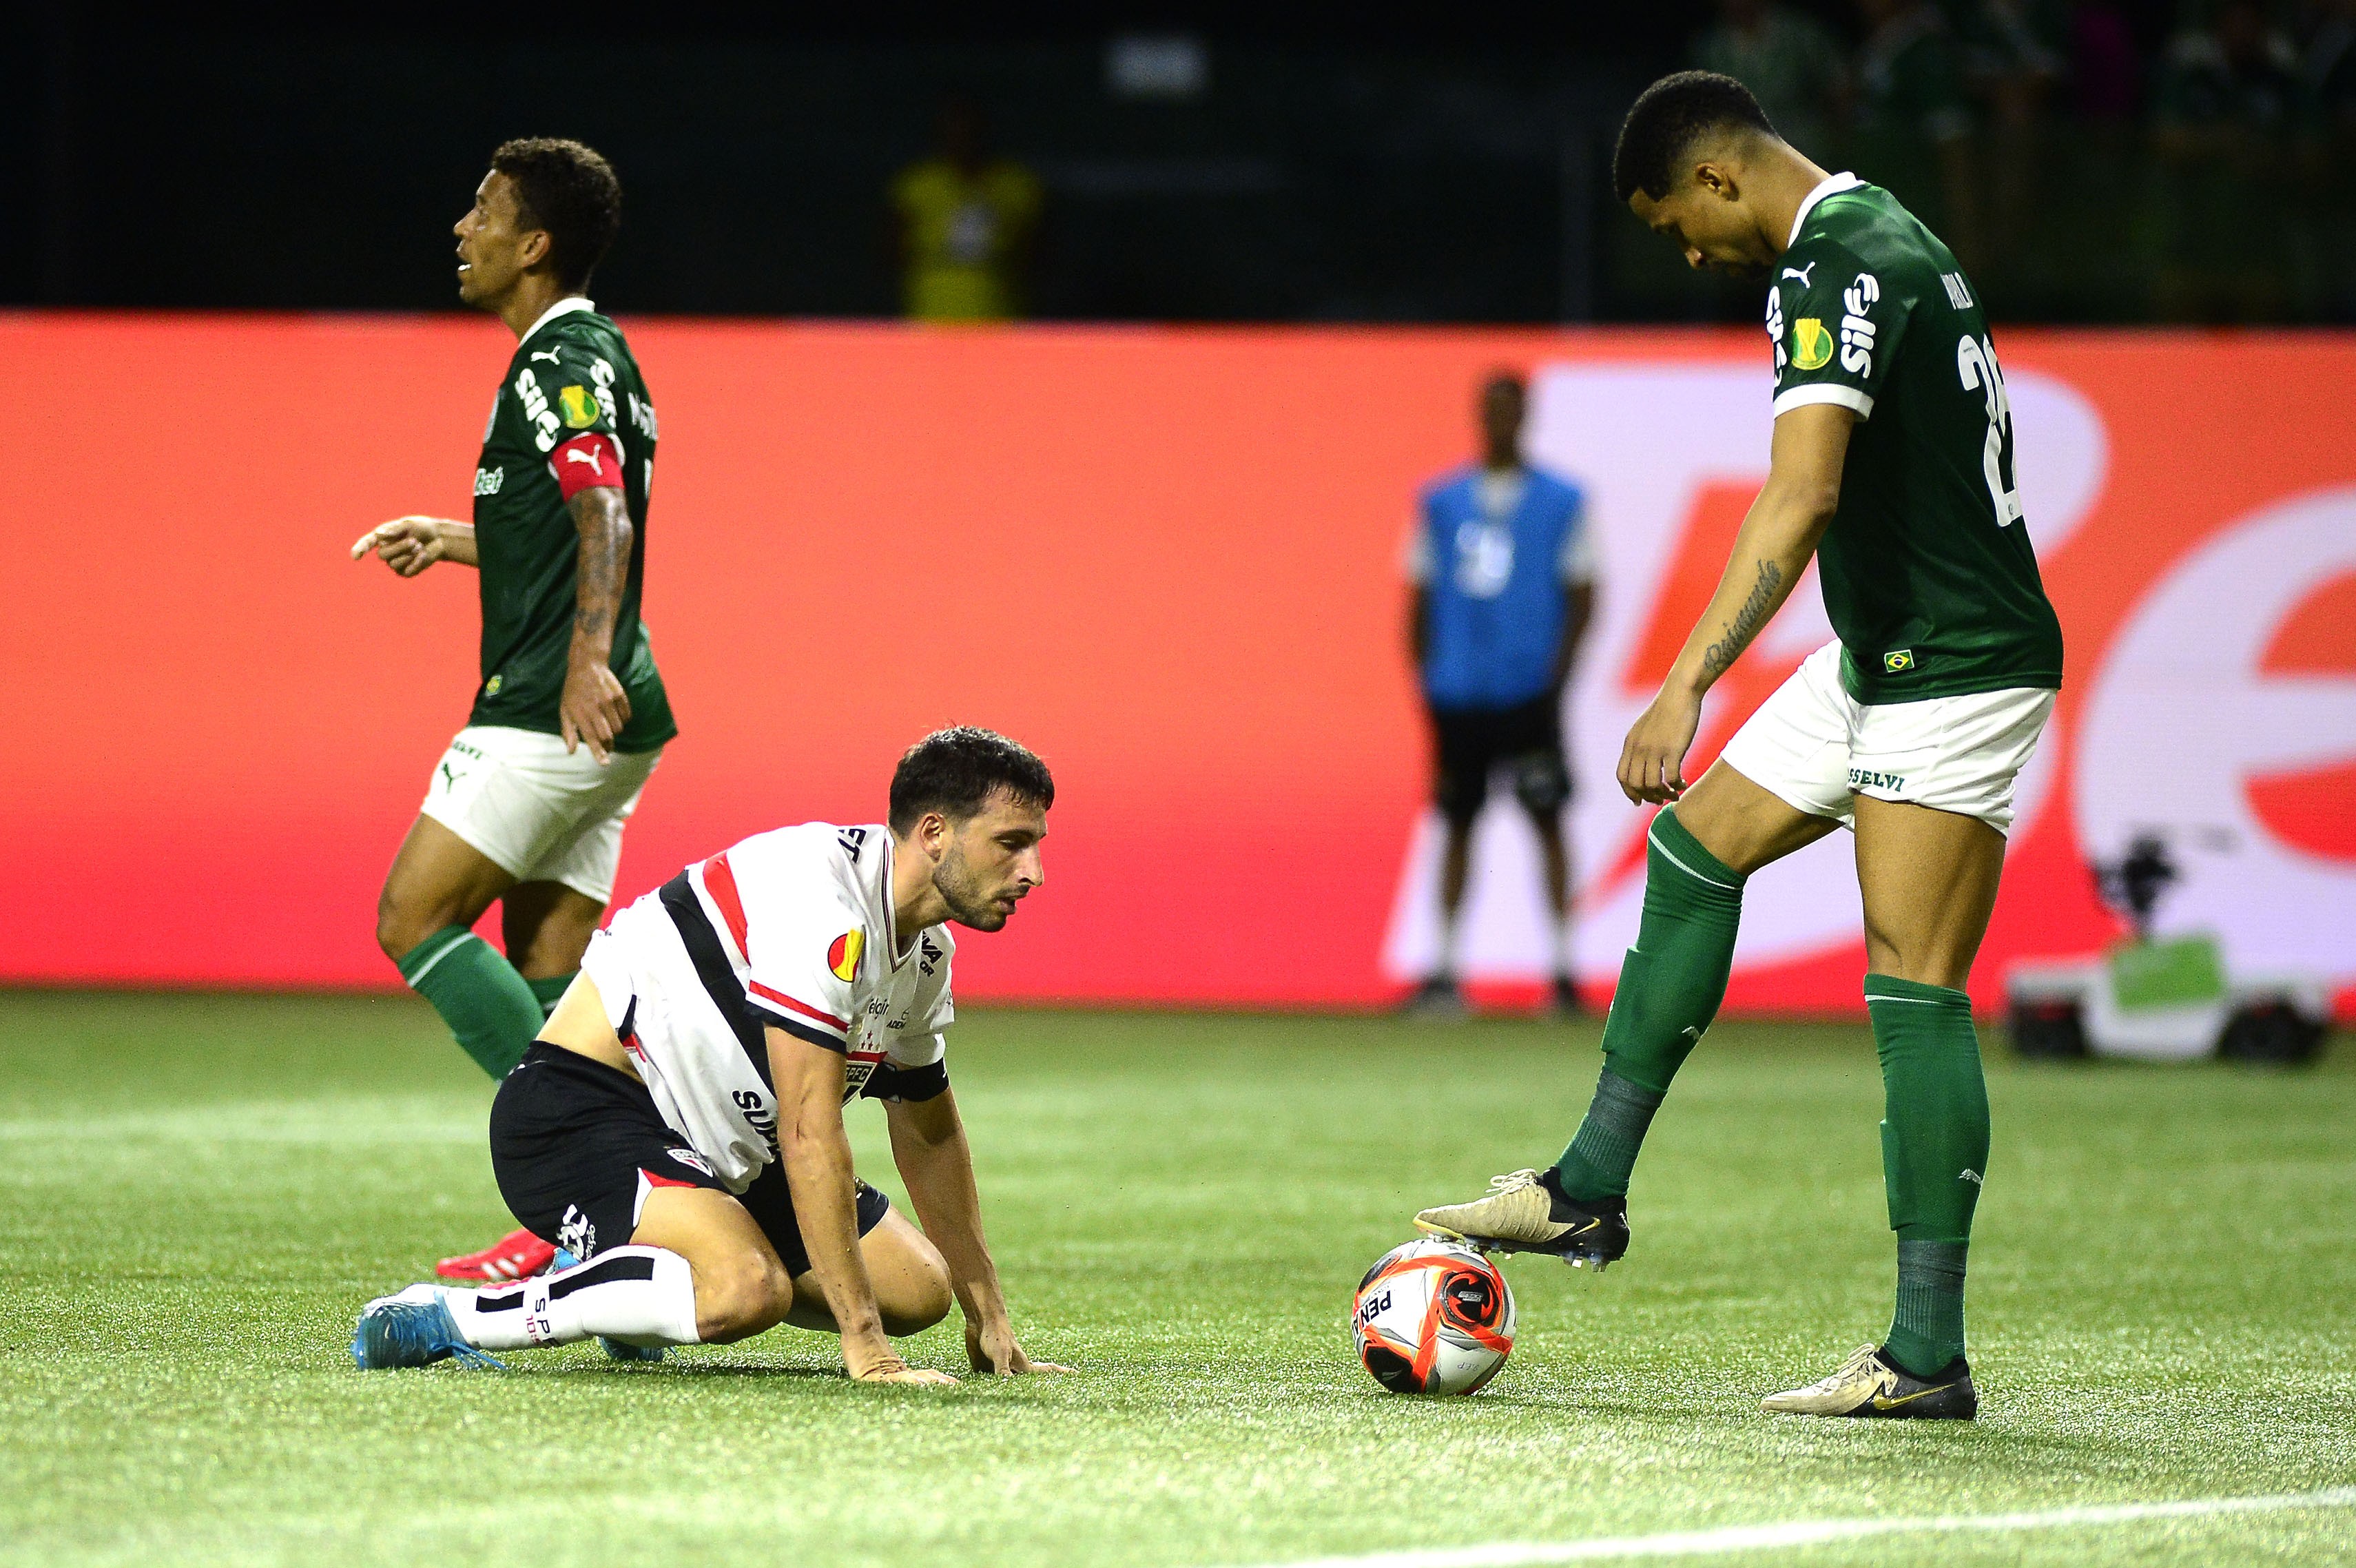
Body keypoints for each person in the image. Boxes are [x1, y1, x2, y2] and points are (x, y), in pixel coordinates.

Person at [1414, 72, 2063, 1421]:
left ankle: (1926, 1357)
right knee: (1696, 845)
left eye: (1677, 228)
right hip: (1884, 650)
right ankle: (1585, 1188)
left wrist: (1685, 681)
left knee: (1914, 983)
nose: (1691, 255)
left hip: (1954, 665)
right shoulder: (1886, 230)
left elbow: (1805, 490)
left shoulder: (1830, 266)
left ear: (1717, 179)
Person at [353, 728, 1068, 1385]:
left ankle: (641, 1277)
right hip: (580, 1113)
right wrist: (865, 1344)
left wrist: (989, 1314)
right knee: (745, 1288)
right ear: (935, 833)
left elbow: (929, 1130)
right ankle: (451, 1314)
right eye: (1012, 842)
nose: (1033, 870)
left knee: (919, 1289)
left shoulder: (926, 952)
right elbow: (809, 1131)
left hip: (722, 1153)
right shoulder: (822, 904)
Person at [351, 138, 677, 1286]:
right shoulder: (600, 355)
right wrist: (458, 540)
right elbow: (567, 520)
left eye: (482, 208)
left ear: (533, 245)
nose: (462, 226)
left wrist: (584, 659)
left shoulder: (556, 360)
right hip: (610, 720)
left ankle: (587, 1177)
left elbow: (605, 518)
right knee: (552, 974)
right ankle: (627, 1216)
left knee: (412, 917)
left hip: (549, 709)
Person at [1405, 373, 1597, 1018]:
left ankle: (1565, 969)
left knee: (1547, 817)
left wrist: (1556, 678)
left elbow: (1582, 592)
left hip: (1527, 689)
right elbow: (1420, 592)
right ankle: (1446, 966)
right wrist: (1427, 677)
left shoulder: (1562, 501)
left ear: (1526, 416)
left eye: (1510, 411)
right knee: (1457, 820)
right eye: (1490, 411)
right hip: (1459, 688)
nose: (1499, 423)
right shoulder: (1441, 501)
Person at [889, 94, 1043, 322]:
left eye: (970, 130)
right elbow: (890, 252)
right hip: (930, 313)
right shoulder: (916, 184)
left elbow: (1039, 256)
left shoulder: (1016, 184)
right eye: (954, 130)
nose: (962, 137)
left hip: (999, 313)